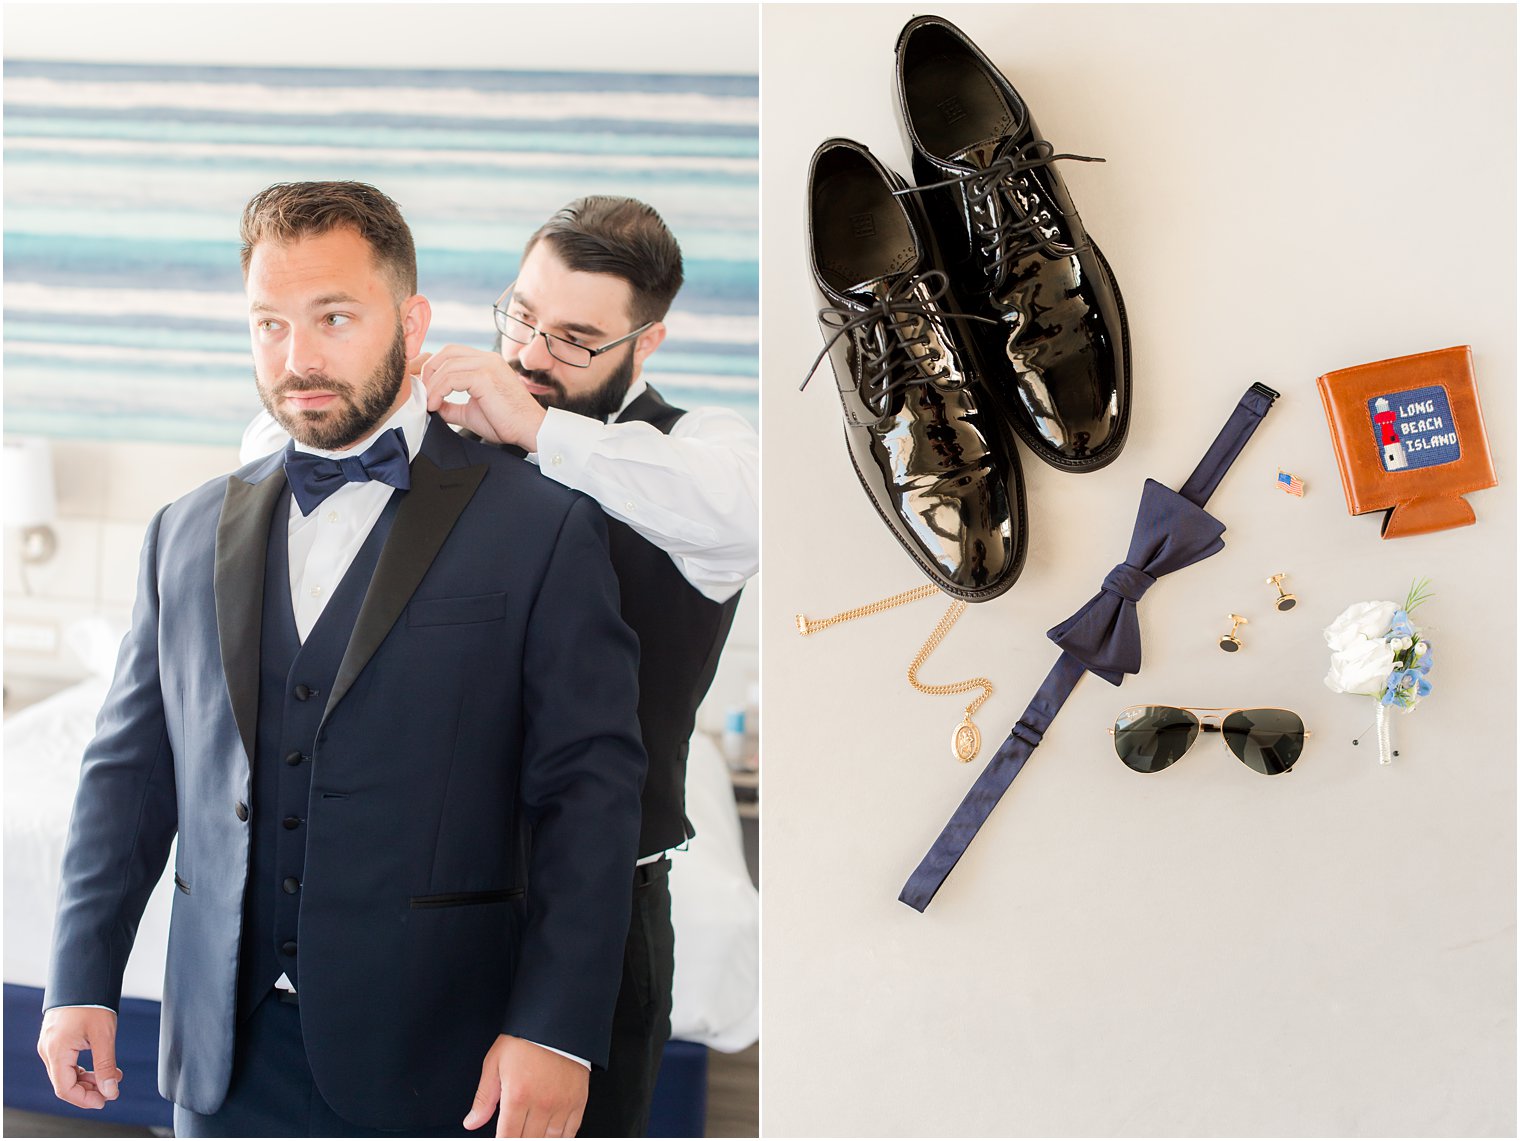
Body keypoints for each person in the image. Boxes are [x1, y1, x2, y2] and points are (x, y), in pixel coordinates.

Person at [38, 181, 647, 1138]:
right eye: (269, 323)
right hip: (221, 1055)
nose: (298, 357)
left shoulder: (543, 528)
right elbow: (128, 776)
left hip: (445, 1056)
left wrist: (556, 1028)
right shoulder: (182, 532)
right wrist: (80, 980)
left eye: (333, 317)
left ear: (411, 321)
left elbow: (590, 795)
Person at [241, 194, 760, 1136]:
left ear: (646, 344)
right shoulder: (443, 430)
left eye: (574, 338)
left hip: (597, 908)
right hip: (425, 910)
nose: (528, 354)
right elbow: (267, 479)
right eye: (520, 315)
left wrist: (539, 430)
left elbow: (746, 514)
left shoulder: (700, 455)